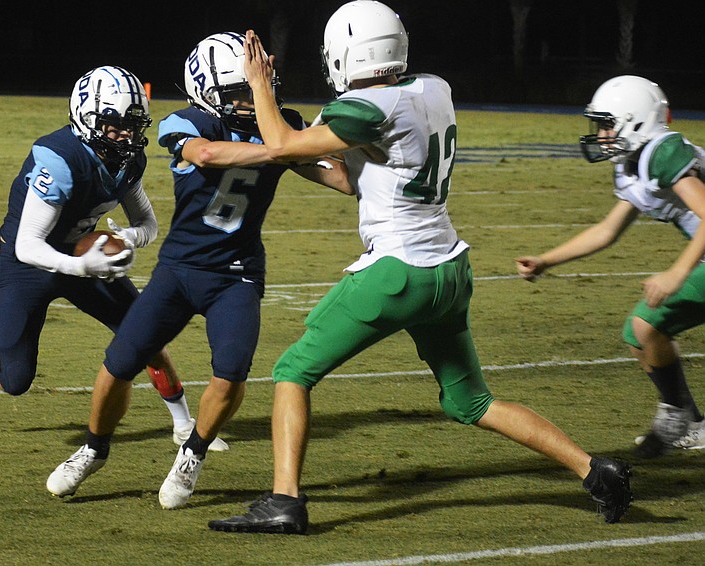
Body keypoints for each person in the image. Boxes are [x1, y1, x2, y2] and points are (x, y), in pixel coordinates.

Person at [208, 1, 633, 535]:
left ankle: (284, 502)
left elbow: (281, 143)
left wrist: (260, 86)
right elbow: (348, 178)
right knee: (470, 401)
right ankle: (595, 470)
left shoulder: (368, 108)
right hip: (448, 270)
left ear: (344, 54)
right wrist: (294, 157)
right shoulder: (434, 89)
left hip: (396, 273)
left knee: (293, 371)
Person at [46, 33, 352, 502]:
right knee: (119, 363)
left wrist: (344, 136)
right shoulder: (188, 122)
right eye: (239, 92)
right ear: (206, 91)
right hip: (179, 268)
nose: (252, 101)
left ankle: (193, 452)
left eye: (256, 89)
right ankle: (93, 448)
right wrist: (282, 148)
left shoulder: (282, 125)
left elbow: (342, 180)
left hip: (236, 273)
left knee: (231, 372)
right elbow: (206, 154)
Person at [0, 66, 226, 462]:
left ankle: (183, 425)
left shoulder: (128, 159)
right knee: (15, 381)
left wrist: (128, 238)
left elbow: (147, 224)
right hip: (27, 265)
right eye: (115, 125)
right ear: (87, 117)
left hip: (83, 256)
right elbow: (28, 245)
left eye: (132, 125)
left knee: (146, 333)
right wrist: (84, 267)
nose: (125, 135)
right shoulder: (60, 159)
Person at [516, 75, 705, 458]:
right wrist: (547, 260)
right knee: (638, 335)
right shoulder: (635, 162)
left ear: (636, 120)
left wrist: (676, 272)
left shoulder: (662, 152)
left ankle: (678, 420)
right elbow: (607, 230)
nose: (601, 135)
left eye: (606, 125)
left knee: (646, 324)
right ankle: (691, 424)